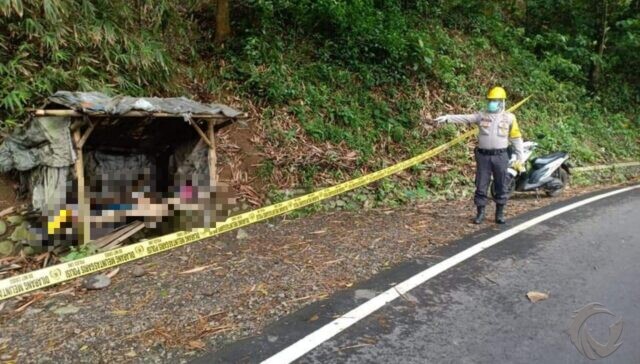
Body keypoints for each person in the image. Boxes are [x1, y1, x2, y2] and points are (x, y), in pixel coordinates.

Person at [435, 86, 525, 224]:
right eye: (490, 100)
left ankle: (499, 214)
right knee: (481, 184)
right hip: (483, 157)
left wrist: (520, 157)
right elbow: (465, 118)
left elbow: (516, 138)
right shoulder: (481, 115)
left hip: (501, 156)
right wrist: (448, 118)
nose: (491, 103)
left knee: (501, 184)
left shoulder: (510, 118)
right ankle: (480, 213)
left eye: (494, 100)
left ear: (502, 102)